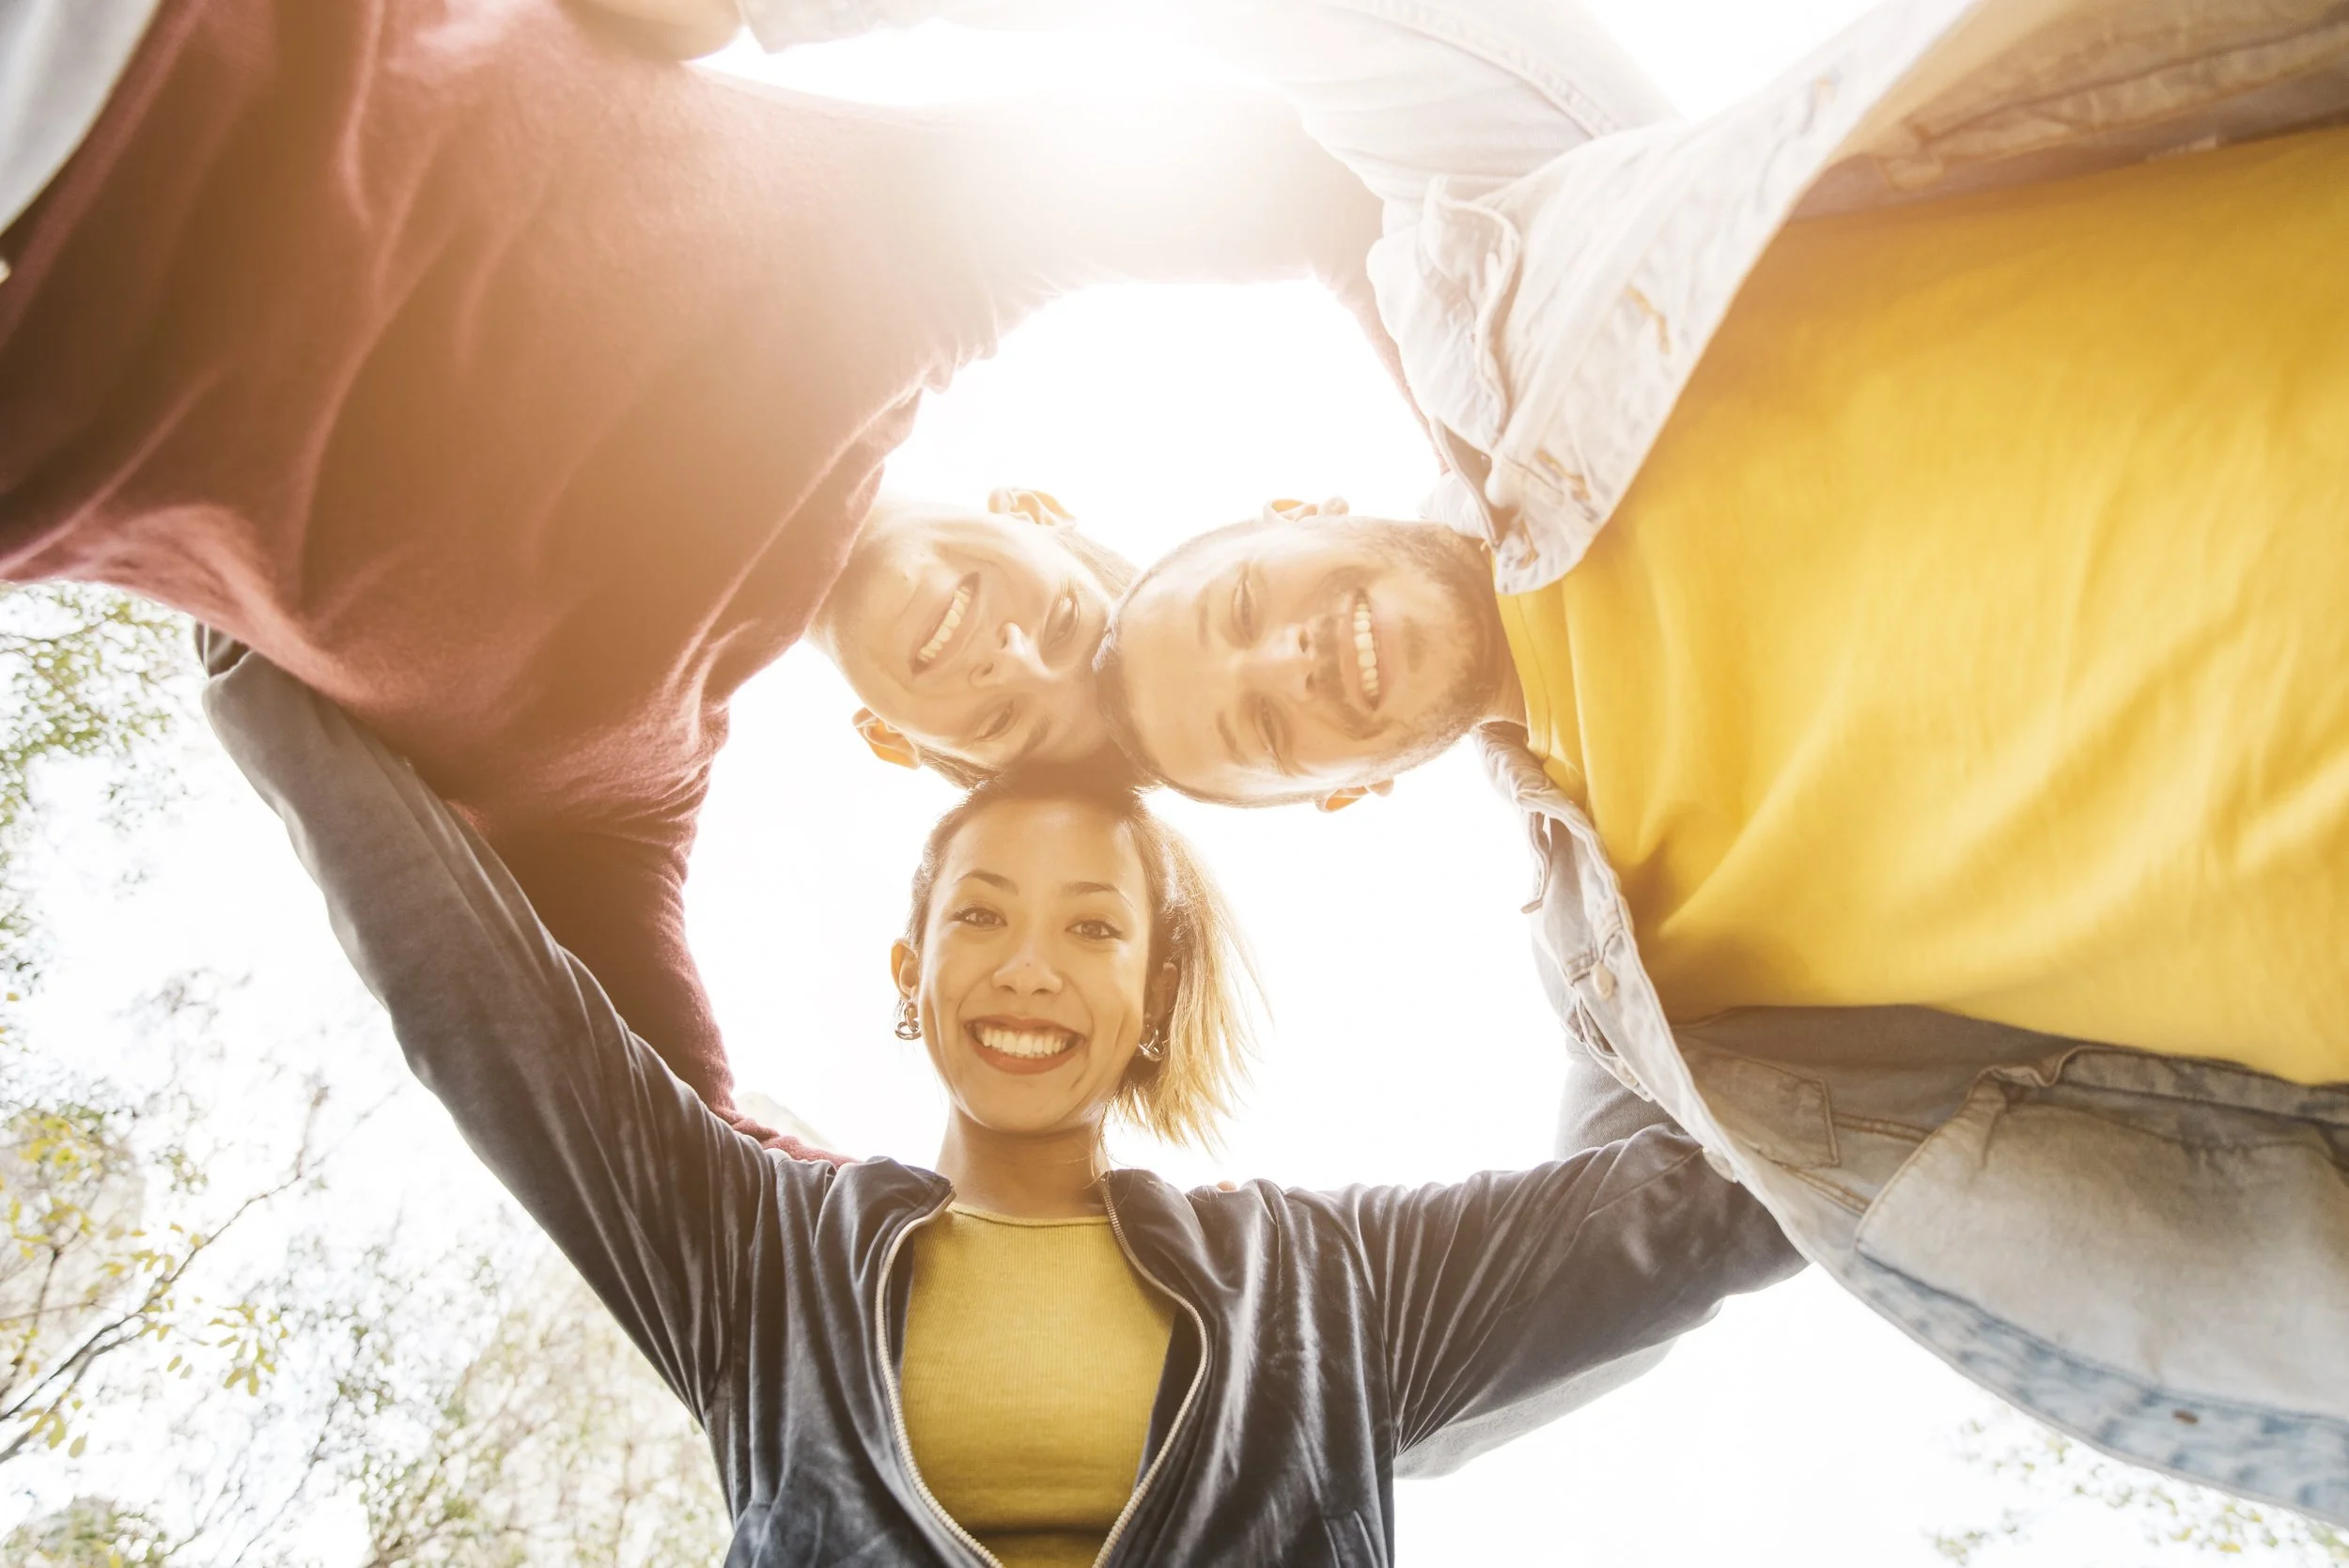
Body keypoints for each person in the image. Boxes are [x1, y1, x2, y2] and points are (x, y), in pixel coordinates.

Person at [1077, 0, 2349, 1521]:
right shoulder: (1639, 989)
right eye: (1260, 733)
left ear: (1292, 512)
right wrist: (1129, 1457)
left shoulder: (1533, 295)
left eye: (1239, 608)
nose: (1281, 663)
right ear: (1338, 794)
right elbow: (1550, 1300)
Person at [0, 0, 1391, 1144]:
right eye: (1073, 620)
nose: (1009, 655)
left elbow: (695, 1164)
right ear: (1036, 511)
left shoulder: (616, 792)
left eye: (1010, 721)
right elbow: (1325, 177)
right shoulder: (924, 250)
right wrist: (1488, 547)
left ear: (897, 741)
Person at [196, 629, 1801, 1566]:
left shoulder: (1333, 1288)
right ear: (913, 969)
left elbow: (1706, 1203)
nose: (1029, 968)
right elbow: (483, 1007)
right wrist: (249, 638)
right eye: (982, 915)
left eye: (1094, 928)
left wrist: (1568, 794)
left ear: (1152, 992)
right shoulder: (756, 1256)